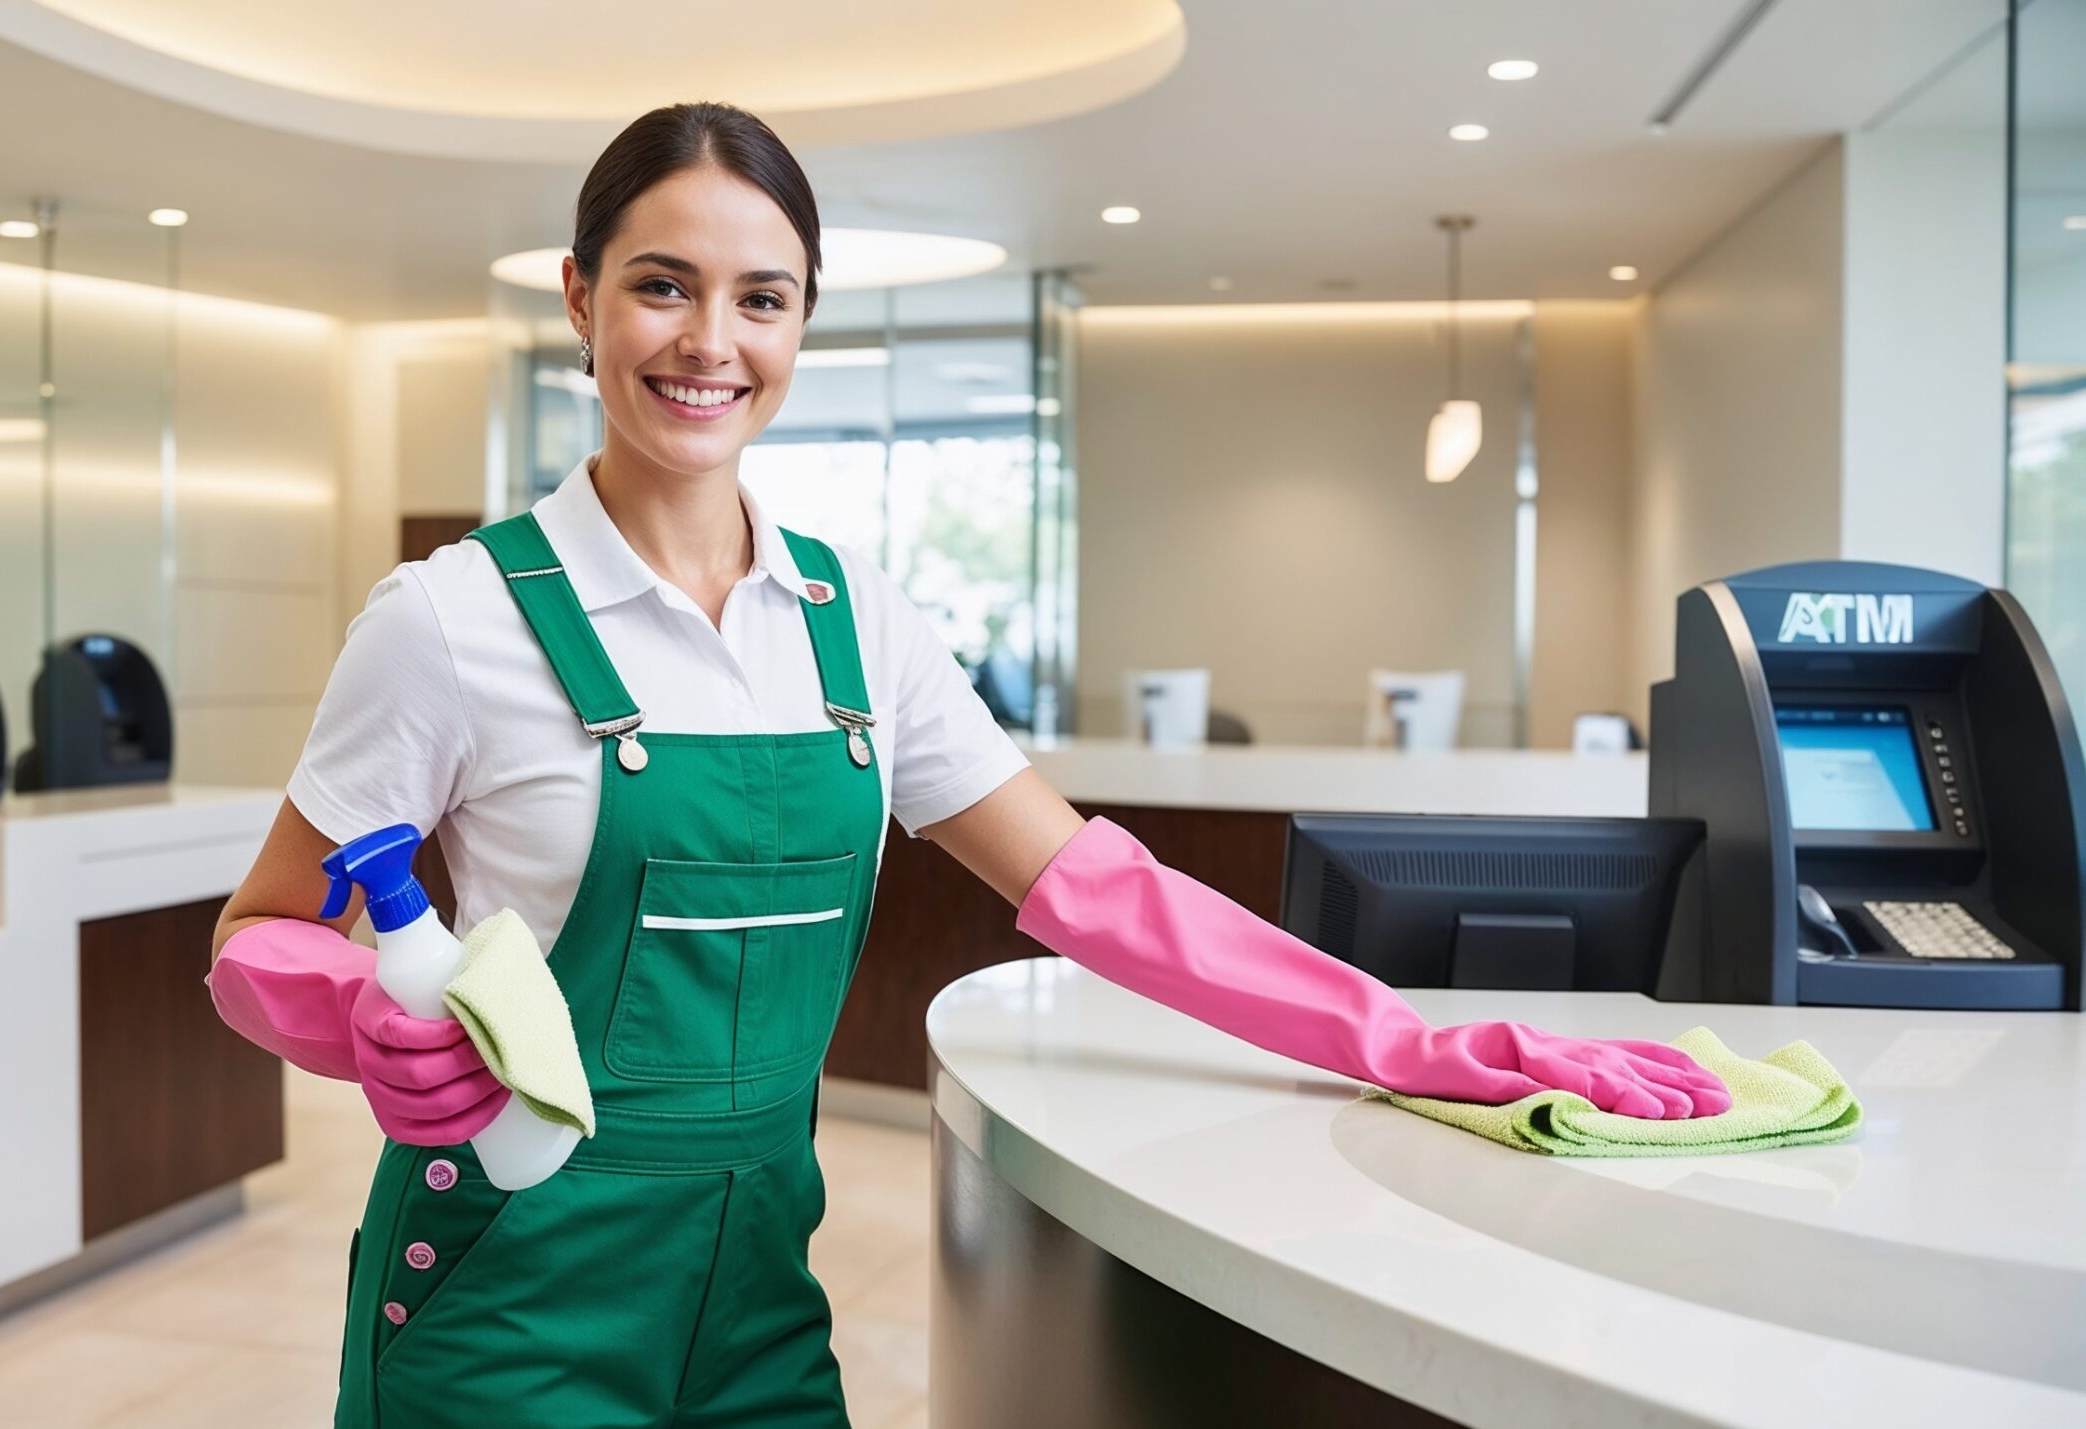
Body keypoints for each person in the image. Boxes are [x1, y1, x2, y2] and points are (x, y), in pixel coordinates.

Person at [208, 101, 1730, 1428]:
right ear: (581, 299)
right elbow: (258, 933)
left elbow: (1100, 892)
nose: (709, 344)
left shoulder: (857, 623)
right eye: (662, 288)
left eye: (762, 299)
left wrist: (1418, 1046)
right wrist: (351, 1008)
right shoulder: (450, 620)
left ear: (804, 324)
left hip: (752, 1306)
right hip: (503, 1305)